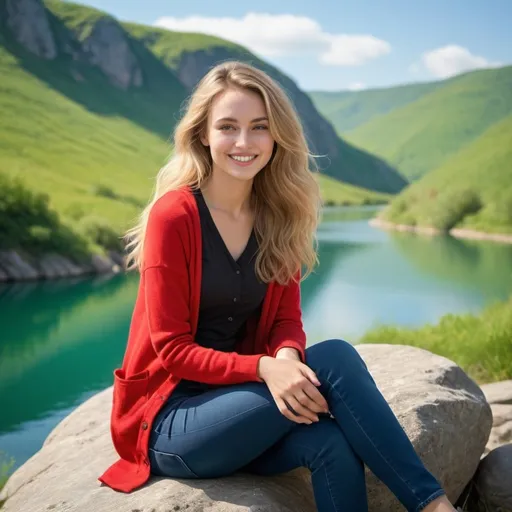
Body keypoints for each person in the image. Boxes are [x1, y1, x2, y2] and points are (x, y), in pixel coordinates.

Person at [98, 61, 458, 512]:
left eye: (259, 127)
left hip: (238, 407)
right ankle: (435, 507)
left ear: (276, 137)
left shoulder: (278, 216)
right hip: (170, 420)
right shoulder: (175, 216)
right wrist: (266, 370)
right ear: (203, 135)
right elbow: (171, 349)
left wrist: (287, 358)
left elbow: (287, 320)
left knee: (330, 442)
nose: (244, 143)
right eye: (228, 127)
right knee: (335, 358)